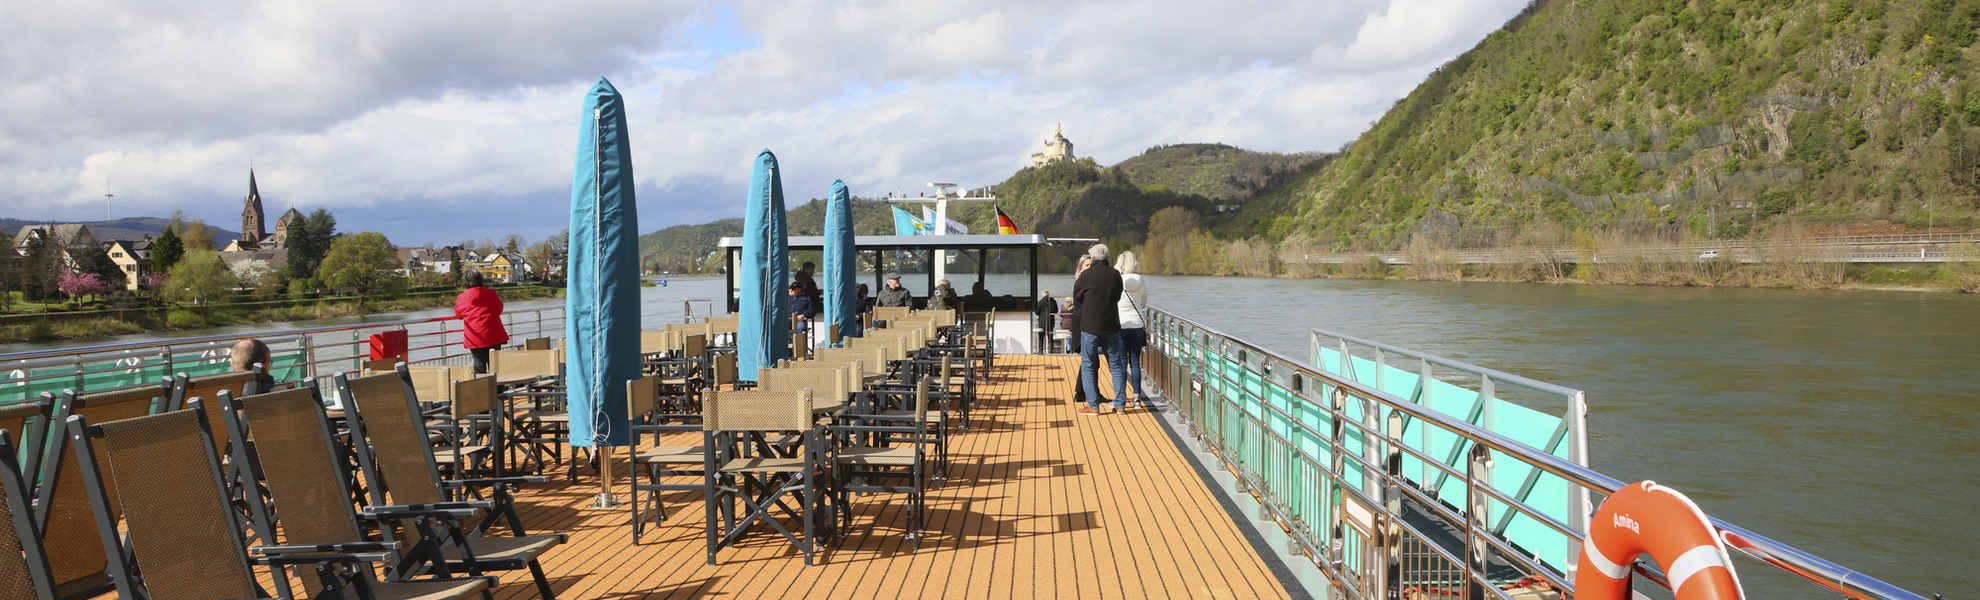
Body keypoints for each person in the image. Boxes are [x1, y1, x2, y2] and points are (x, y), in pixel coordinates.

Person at [1072, 245, 1126, 415]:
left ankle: (1093, 406)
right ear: (1107, 257)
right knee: (1116, 365)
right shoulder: (1115, 274)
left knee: (1088, 365)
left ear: (1092, 259)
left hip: (1090, 326)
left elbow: (1077, 296)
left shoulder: (1085, 275)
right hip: (1111, 326)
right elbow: (1118, 295)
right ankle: (1120, 404)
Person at [455, 270, 509, 374]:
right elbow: (499, 308)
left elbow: (459, 315)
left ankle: (482, 388)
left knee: (479, 365)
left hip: (474, 337)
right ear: (480, 280)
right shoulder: (491, 293)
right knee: (495, 365)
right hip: (493, 335)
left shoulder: (461, 298)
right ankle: (498, 388)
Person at [1115, 251, 1148, 408]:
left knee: (1121, 362)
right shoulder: (1140, 280)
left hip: (1121, 324)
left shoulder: (1118, 280)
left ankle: (1121, 397)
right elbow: (1143, 302)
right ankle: (1137, 398)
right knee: (1135, 361)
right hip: (1137, 325)